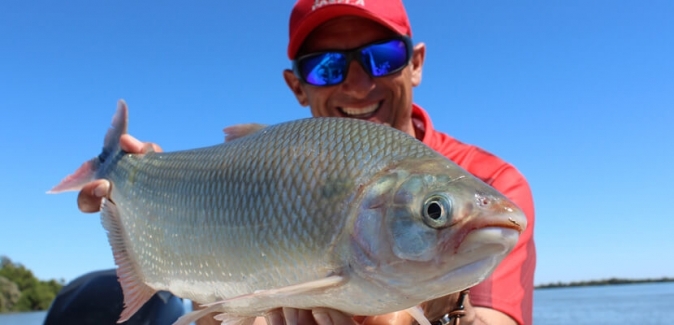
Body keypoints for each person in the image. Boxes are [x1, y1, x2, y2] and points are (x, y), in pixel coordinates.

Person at [76, 0, 536, 324]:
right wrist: (150, 187)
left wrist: (448, 310)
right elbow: (216, 308)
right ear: (296, 86)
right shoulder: (270, 165)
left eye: (382, 56)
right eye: (326, 67)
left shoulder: (492, 182)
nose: (357, 84)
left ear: (415, 63)